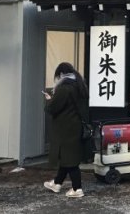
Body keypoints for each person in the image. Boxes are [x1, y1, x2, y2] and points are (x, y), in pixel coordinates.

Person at [43, 62, 88, 198]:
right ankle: (57, 184)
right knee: (66, 157)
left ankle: (77, 188)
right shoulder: (79, 85)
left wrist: (49, 100)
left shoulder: (65, 88)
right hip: (75, 126)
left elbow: (53, 108)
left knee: (70, 160)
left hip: (66, 128)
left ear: (61, 74)